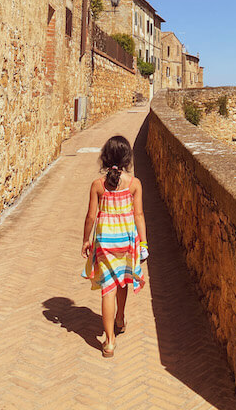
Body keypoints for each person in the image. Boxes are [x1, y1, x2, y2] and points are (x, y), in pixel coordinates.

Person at [81, 135, 148, 357]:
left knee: (107, 289)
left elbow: (91, 216)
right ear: (128, 158)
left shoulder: (97, 185)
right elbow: (139, 215)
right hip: (127, 242)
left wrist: (85, 239)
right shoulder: (134, 184)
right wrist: (144, 243)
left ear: (105, 157)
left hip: (106, 242)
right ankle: (120, 318)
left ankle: (109, 341)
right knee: (123, 281)